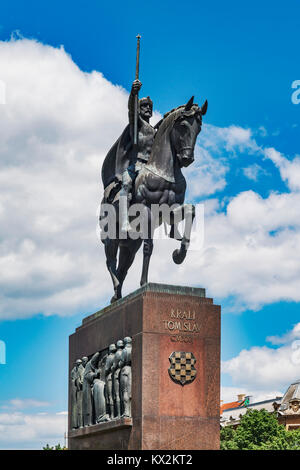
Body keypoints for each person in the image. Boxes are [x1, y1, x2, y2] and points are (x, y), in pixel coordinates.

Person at [119, 79, 156, 233]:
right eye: (144, 106)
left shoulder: (155, 131)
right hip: (136, 165)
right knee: (126, 185)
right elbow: (131, 110)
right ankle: (124, 221)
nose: (147, 108)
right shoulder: (137, 124)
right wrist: (134, 93)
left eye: (149, 107)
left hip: (150, 167)